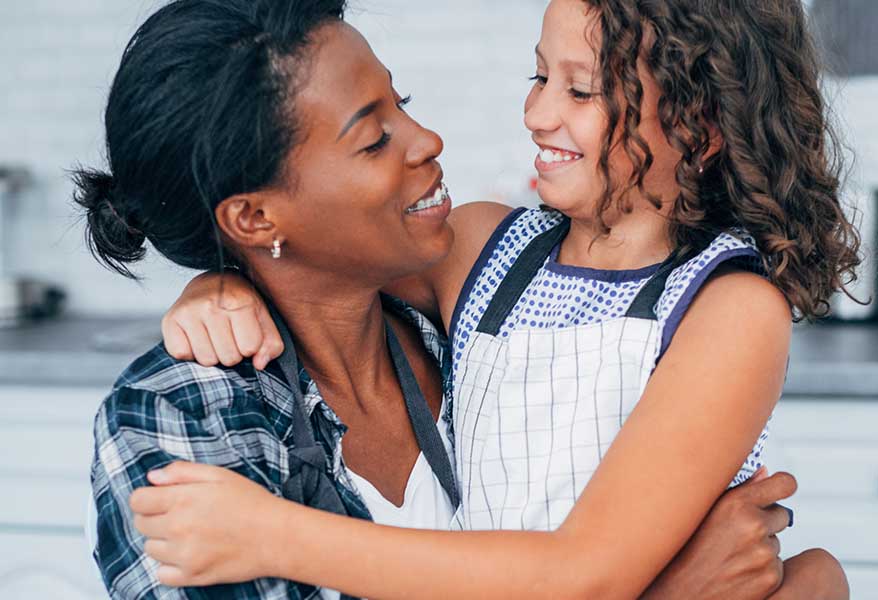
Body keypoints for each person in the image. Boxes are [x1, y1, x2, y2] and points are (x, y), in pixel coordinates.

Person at [76, 0, 833, 598]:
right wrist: (216, 278)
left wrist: (273, 532)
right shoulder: (177, 419)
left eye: (581, 90)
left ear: (700, 128)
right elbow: (295, 265)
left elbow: (583, 573)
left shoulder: (713, 306)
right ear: (252, 217)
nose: (430, 139)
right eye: (373, 139)